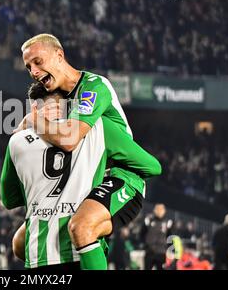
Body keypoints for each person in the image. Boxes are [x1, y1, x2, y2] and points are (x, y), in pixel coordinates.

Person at [13, 33, 161, 269]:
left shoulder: (93, 87)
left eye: (38, 62)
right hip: (80, 180)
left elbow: (70, 139)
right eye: (28, 67)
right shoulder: (57, 98)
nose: (33, 71)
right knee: (22, 242)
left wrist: (35, 122)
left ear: (59, 55)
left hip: (118, 177)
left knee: (81, 227)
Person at [141, 204, 173, 270]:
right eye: (158, 209)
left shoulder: (167, 222)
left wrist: (171, 249)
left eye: (161, 210)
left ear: (164, 211)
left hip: (161, 252)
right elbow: (142, 234)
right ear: (154, 210)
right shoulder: (148, 220)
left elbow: (170, 236)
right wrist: (144, 245)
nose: (159, 211)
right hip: (149, 251)